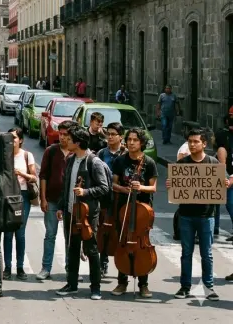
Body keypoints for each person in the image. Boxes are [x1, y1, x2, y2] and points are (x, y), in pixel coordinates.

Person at [167, 128, 222, 301]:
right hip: (186, 215)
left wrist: (226, 182)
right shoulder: (182, 164)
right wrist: (171, 185)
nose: (192, 144)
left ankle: (208, 287)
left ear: (204, 144)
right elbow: (175, 189)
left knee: (207, 254)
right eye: (190, 141)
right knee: (186, 253)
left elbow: (226, 180)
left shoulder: (213, 163)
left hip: (207, 216)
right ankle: (185, 287)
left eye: (196, 141)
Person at [55, 126, 109, 300]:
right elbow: (66, 186)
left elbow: (104, 187)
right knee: (72, 248)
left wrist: (85, 192)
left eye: (69, 139)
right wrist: (61, 206)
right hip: (71, 211)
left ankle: (96, 287)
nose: (66, 142)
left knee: (91, 250)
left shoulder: (94, 162)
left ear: (77, 143)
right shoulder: (71, 159)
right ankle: (72, 284)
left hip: (87, 214)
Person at [109, 128, 157, 298]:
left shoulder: (149, 162)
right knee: (122, 242)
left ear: (141, 142)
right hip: (123, 208)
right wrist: (123, 189)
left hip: (143, 211)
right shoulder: (120, 161)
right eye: (129, 139)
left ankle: (143, 284)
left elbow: (153, 187)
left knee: (140, 244)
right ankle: (122, 282)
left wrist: (140, 187)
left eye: (135, 140)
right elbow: (113, 184)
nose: (131, 142)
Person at [37, 120, 75, 281]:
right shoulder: (51, 151)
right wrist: (43, 198)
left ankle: (70, 268)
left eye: (66, 135)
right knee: (50, 235)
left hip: (70, 202)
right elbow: (43, 175)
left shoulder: (76, 153)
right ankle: (46, 268)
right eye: (60, 134)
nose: (63, 138)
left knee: (70, 236)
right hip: (52, 200)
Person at [3, 127, 37, 281]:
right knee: (8, 232)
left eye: (15, 138)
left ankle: (20, 267)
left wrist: (20, 173)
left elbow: (34, 177)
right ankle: (7, 267)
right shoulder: (4, 155)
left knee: (20, 232)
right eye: (9, 138)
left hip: (22, 195)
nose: (12, 140)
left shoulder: (26, 155)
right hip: (8, 196)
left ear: (21, 140)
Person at [96, 122, 126, 276]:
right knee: (105, 229)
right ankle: (103, 261)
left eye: (114, 134)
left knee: (122, 230)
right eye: (108, 134)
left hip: (123, 198)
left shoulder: (127, 153)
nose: (110, 137)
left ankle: (122, 263)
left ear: (121, 136)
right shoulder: (102, 153)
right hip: (106, 197)